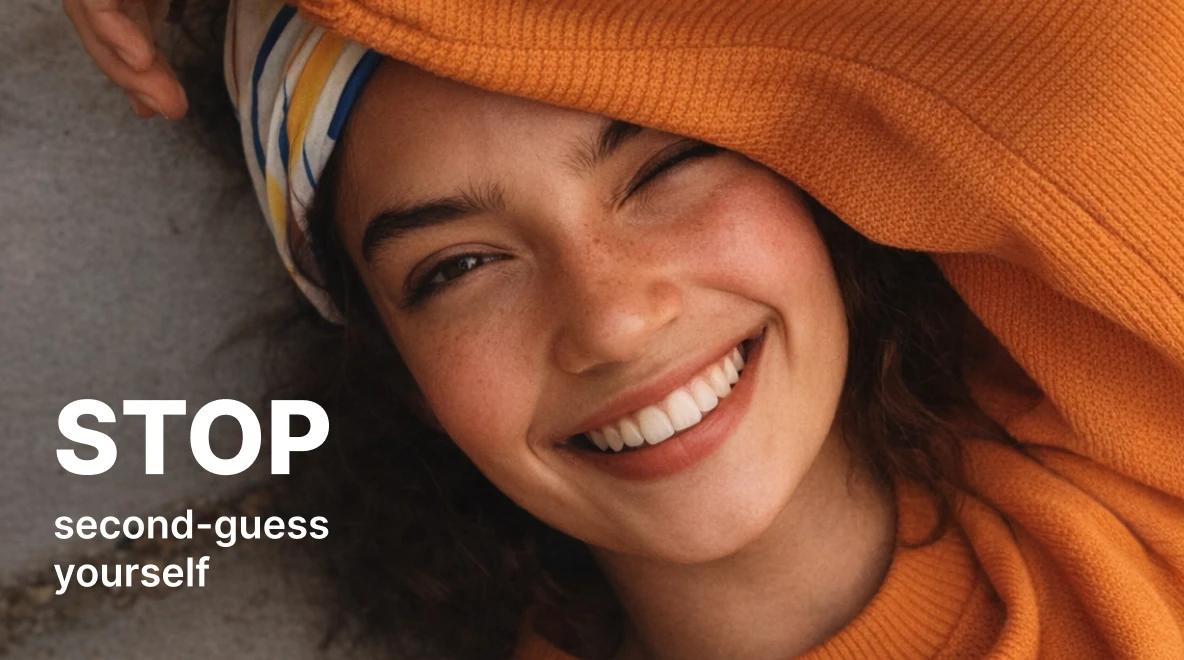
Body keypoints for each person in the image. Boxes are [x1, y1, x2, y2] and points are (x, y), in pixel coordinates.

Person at [65, 0, 1184, 658]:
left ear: (814, 177)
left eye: (664, 168)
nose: (608, 319)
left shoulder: (1148, 410)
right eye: (457, 268)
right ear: (399, 371)